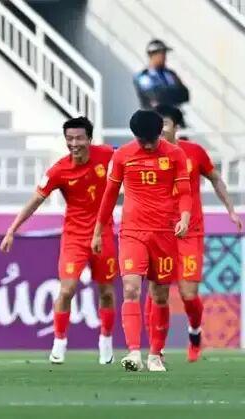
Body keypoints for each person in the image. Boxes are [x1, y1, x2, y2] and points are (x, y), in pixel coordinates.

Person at [0, 117, 117, 365]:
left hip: (103, 233)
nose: (74, 144)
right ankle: (59, 342)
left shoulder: (106, 154)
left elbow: (132, 158)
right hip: (74, 236)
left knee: (106, 291)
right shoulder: (59, 170)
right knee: (66, 290)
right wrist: (12, 229)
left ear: (89, 139)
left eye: (79, 138)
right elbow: (35, 200)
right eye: (69, 139)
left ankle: (106, 341)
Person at [92, 110, 191, 372]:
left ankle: (155, 355)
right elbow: (109, 195)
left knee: (160, 295)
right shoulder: (123, 155)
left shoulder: (175, 154)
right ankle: (134, 352)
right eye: (142, 140)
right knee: (131, 288)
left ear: (160, 133)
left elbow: (185, 192)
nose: (147, 146)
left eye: (151, 140)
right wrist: (98, 231)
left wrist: (184, 218)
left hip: (164, 233)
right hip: (132, 232)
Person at [149, 105, 242, 362]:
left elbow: (216, 179)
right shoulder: (147, 153)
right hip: (161, 233)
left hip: (190, 232)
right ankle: (157, 348)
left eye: (165, 123)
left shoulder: (194, 152)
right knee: (158, 293)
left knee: (188, 294)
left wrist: (231, 210)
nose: (160, 129)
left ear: (177, 127)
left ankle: (194, 331)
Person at [134, 39, 189, 110]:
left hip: (173, 114)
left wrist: (166, 93)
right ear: (152, 55)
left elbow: (185, 94)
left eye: (164, 54)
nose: (164, 57)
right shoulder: (143, 76)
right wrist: (174, 92)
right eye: (161, 54)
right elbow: (156, 95)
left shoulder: (170, 74)